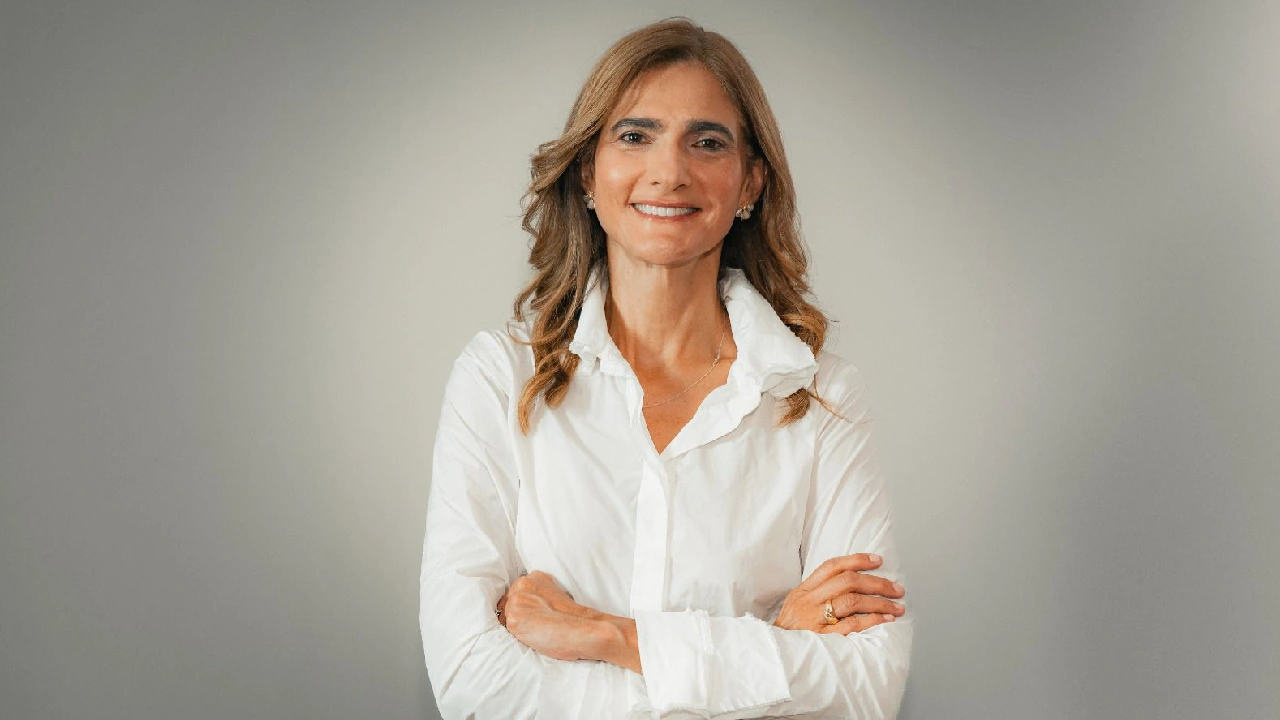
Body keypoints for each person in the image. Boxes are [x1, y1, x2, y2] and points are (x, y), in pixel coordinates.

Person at [420, 17, 911, 718]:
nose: (670, 171)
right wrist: (769, 650)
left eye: (707, 142)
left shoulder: (823, 396)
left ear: (750, 182)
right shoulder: (498, 379)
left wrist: (608, 637)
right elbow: (472, 681)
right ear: (588, 172)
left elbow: (867, 687)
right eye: (635, 135)